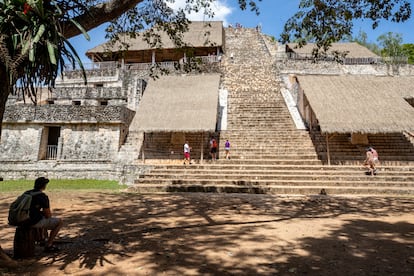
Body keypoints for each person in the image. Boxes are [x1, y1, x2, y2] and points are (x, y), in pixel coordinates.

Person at [28, 177, 63, 252]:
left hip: (21, 219)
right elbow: (48, 215)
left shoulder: (27, 193)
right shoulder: (42, 196)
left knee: (41, 217)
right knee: (59, 222)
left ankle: (42, 238)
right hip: (31, 221)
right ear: (44, 186)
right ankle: (49, 244)